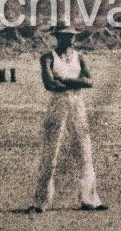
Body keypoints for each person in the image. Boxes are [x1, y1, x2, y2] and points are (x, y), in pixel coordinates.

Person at [25, 22, 107, 214]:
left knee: (84, 151)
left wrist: (65, 80)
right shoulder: (48, 58)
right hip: (57, 105)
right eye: (64, 35)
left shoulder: (80, 57)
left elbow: (89, 81)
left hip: (77, 104)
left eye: (71, 35)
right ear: (57, 37)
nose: (68, 39)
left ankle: (90, 199)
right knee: (50, 153)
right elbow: (49, 84)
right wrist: (72, 82)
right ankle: (40, 201)